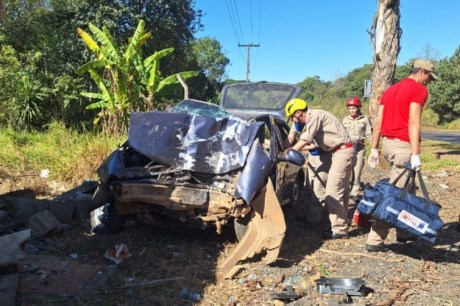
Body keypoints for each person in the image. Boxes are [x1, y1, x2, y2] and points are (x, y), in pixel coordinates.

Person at [365, 59, 438, 252]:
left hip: (388, 145)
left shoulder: (390, 90)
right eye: (429, 76)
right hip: (403, 146)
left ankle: (405, 232)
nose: (429, 81)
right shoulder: (419, 90)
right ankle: (375, 239)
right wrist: (416, 153)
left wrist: (374, 148)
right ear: (421, 71)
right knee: (395, 195)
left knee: (408, 188)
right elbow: (414, 123)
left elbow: (378, 122)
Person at [285, 98, 356, 239]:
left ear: (298, 112)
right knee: (340, 189)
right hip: (337, 152)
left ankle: (340, 230)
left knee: (333, 191)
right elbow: (293, 137)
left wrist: (289, 152)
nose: (293, 119)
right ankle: (340, 223)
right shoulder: (310, 118)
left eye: (293, 116)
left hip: (342, 151)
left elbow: (305, 139)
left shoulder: (315, 116)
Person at [342, 97, 372, 201]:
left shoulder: (364, 119)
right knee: (346, 170)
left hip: (360, 148)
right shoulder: (345, 120)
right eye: (350, 108)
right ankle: (345, 190)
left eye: (354, 108)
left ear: (358, 108)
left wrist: (373, 149)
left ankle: (354, 192)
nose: (351, 110)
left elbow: (369, 134)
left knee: (357, 170)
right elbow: (342, 134)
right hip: (348, 148)